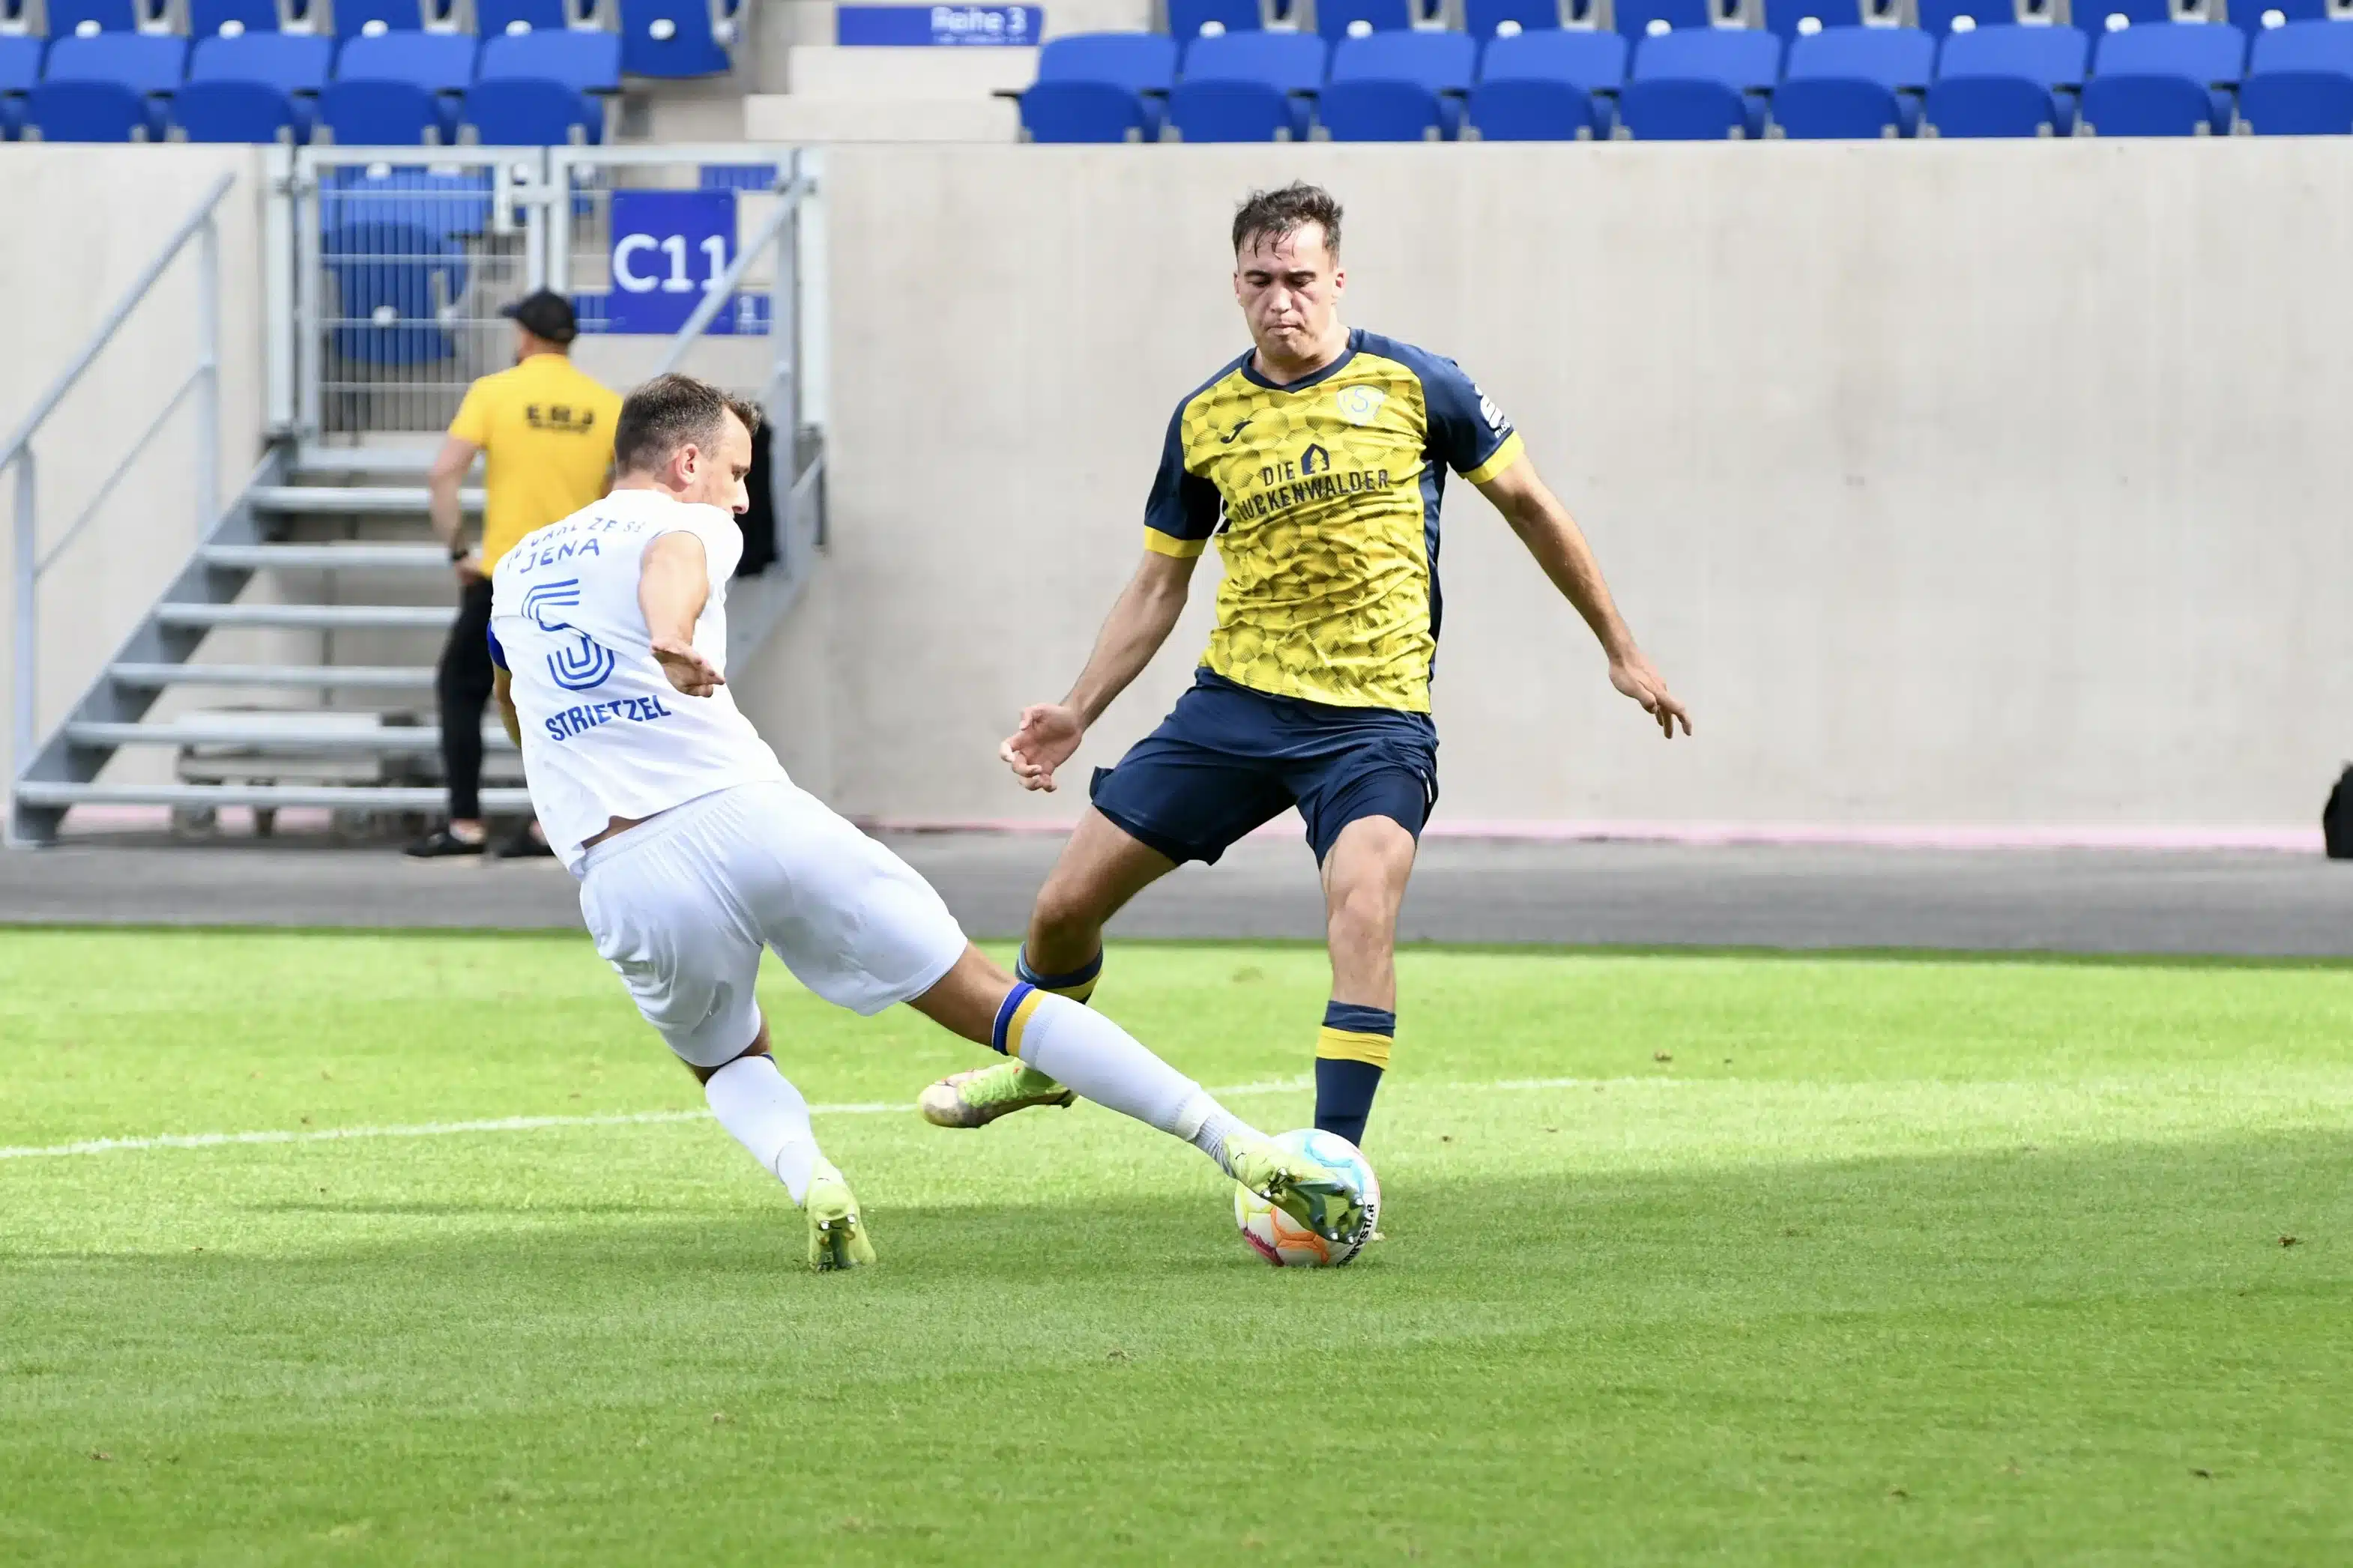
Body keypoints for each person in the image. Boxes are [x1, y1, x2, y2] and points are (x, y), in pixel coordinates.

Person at [486, 372, 1362, 1271]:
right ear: (685, 461)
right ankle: (1236, 1142)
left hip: (624, 865)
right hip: (750, 816)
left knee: (726, 1058)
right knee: (1000, 1003)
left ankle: (814, 1179)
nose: (743, 498)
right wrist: (670, 634)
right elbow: (674, 559)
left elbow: (511, 697)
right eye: (739, 472)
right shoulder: (688, 518)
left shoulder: (517, 564)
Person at [920, 183, 1692, 1151]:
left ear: (1337, 278)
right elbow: (1161, 584)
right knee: (1064, 906)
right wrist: (1080, 708)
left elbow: (1533, 506)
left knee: (1362, 911)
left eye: (1299, 279)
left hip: (1372, 722)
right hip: (1233, 708)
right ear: (1235, 285)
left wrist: (1619, 647)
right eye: (1260, 280)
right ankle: (1048, 1061)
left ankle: (1332, 1164)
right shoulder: (1206, 417)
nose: (1281, 299)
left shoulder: (1420, 386)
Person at [408, 290, 623, 860]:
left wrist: (459, 551)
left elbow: (443, 476)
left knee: (462, 689)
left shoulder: (496, 394)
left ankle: (465, 823)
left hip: (507, 576)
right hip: (578, 582)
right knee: (566, 703)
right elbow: (615, 494)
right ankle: (551, 826)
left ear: (525, 337)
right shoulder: (607, 405)